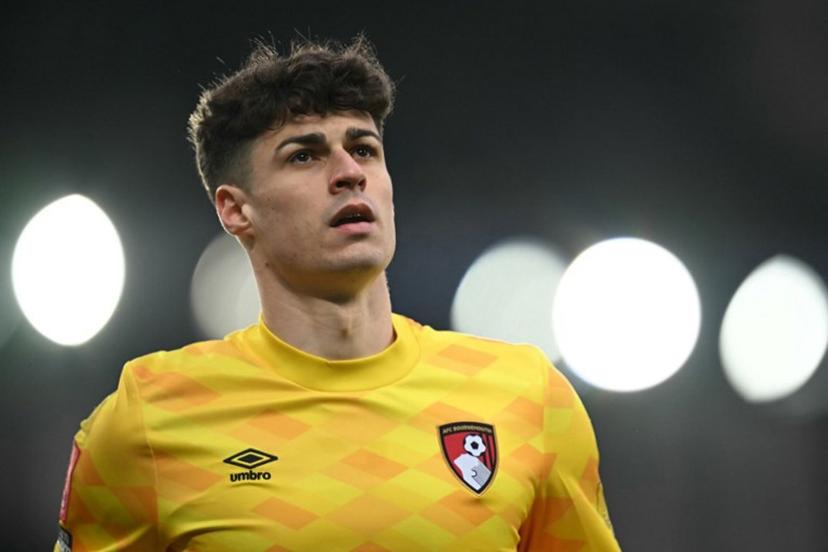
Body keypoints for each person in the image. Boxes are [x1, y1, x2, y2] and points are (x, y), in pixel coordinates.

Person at [55, 36, 621, 551]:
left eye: (365, 149)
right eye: (304, 155)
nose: (349, 172)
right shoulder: (149, 417)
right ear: (235, 209)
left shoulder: (527, 397)